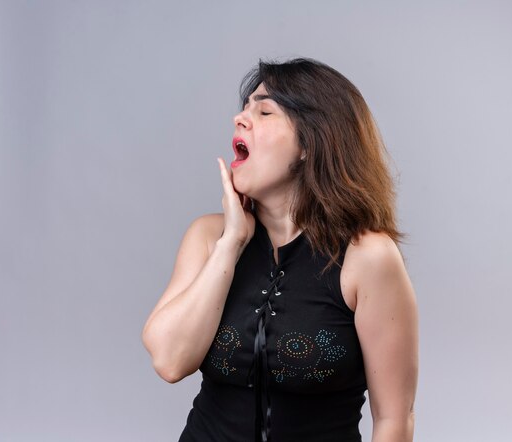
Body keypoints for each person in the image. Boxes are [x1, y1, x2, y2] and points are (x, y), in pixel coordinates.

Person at [141, 57, 419, 442]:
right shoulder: (208, 237)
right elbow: (169, 361)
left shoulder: (367, 258)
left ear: (310, 142)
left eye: (264, 110)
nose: (240, 118)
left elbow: (394, 419)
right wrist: (231, 244)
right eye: (244, 108)